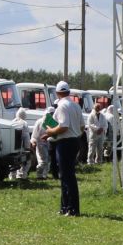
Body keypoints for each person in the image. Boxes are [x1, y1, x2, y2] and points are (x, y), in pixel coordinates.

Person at [45, 81, 84, 216]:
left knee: (67, 177)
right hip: (75, 141)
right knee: (66, 175)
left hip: (65, 143)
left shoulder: (62, 106)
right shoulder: (76, 105)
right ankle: (65, 207)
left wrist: (50, 132)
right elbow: (81, 127)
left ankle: (72, 209)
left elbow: (63, 126)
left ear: (57, 93)